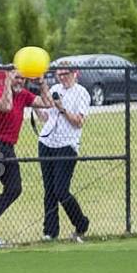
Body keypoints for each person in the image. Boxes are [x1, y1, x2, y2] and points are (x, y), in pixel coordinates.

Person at [0, 68, 53, 245]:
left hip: (9, 147)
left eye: (23, 79)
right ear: (8, 76)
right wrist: (8, 84)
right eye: (16, 77)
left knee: (14, 188)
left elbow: (48, 104)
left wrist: (42, 84)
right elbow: (6, 106)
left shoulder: (24, 94)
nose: (20, 81)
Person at [35, 64, 91, 241]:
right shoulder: (55, 89)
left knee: (61, 190)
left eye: (65, 74)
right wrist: (34, 105)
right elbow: (45, 117)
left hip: (67, 145)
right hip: (47, 142)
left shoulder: (82, 93)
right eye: (59, 75)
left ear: (75, 73)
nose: (62, 78)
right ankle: (50, 231)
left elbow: (79, 122)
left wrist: (62, 109)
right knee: (49, 190)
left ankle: (81, 223)